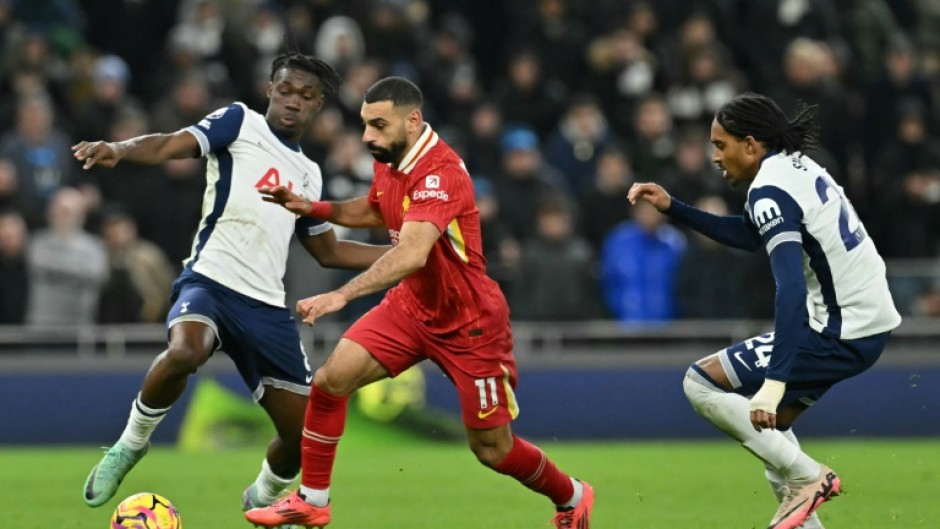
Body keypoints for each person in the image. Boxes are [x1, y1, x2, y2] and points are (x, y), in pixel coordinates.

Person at [245, 76, 594, 529]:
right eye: (365, 124)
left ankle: (573, 496)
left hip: (469, 323)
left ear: (412, 121)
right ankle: (313, 500)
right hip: (411, 308)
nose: (367, 135)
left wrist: (341, 294)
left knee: (493, 449)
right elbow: (378, 208)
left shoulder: (440, 173)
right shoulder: (390, 157)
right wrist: (313, 207)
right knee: (332, 380)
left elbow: (411, 252)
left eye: (378, 125)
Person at [73, 51, 389, 513]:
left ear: (319, 104)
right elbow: (169, 144)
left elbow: (328, 251)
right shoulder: (239, 123)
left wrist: (405, 255)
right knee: (186, 350)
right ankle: (131, 444)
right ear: (269, 90)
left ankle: (260, 493)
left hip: (265, 307)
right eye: (284, 90)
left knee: (303, 440)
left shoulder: (310, 174)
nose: (292, 102)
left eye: (305, 96)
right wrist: (121, 149)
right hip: (210, 281)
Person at [628, 92, 901, 529]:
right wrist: (674, 208)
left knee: (699, 383)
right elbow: (751, 235)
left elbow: (790, 288)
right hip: (866, 325)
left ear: (750, 144)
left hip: (837, 328)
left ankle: (812, 477)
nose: (715, 156)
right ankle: (802, 485)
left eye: (721, 145)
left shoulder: (770, 189)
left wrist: (775, 379)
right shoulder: (796, 166)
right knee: (771, 437)